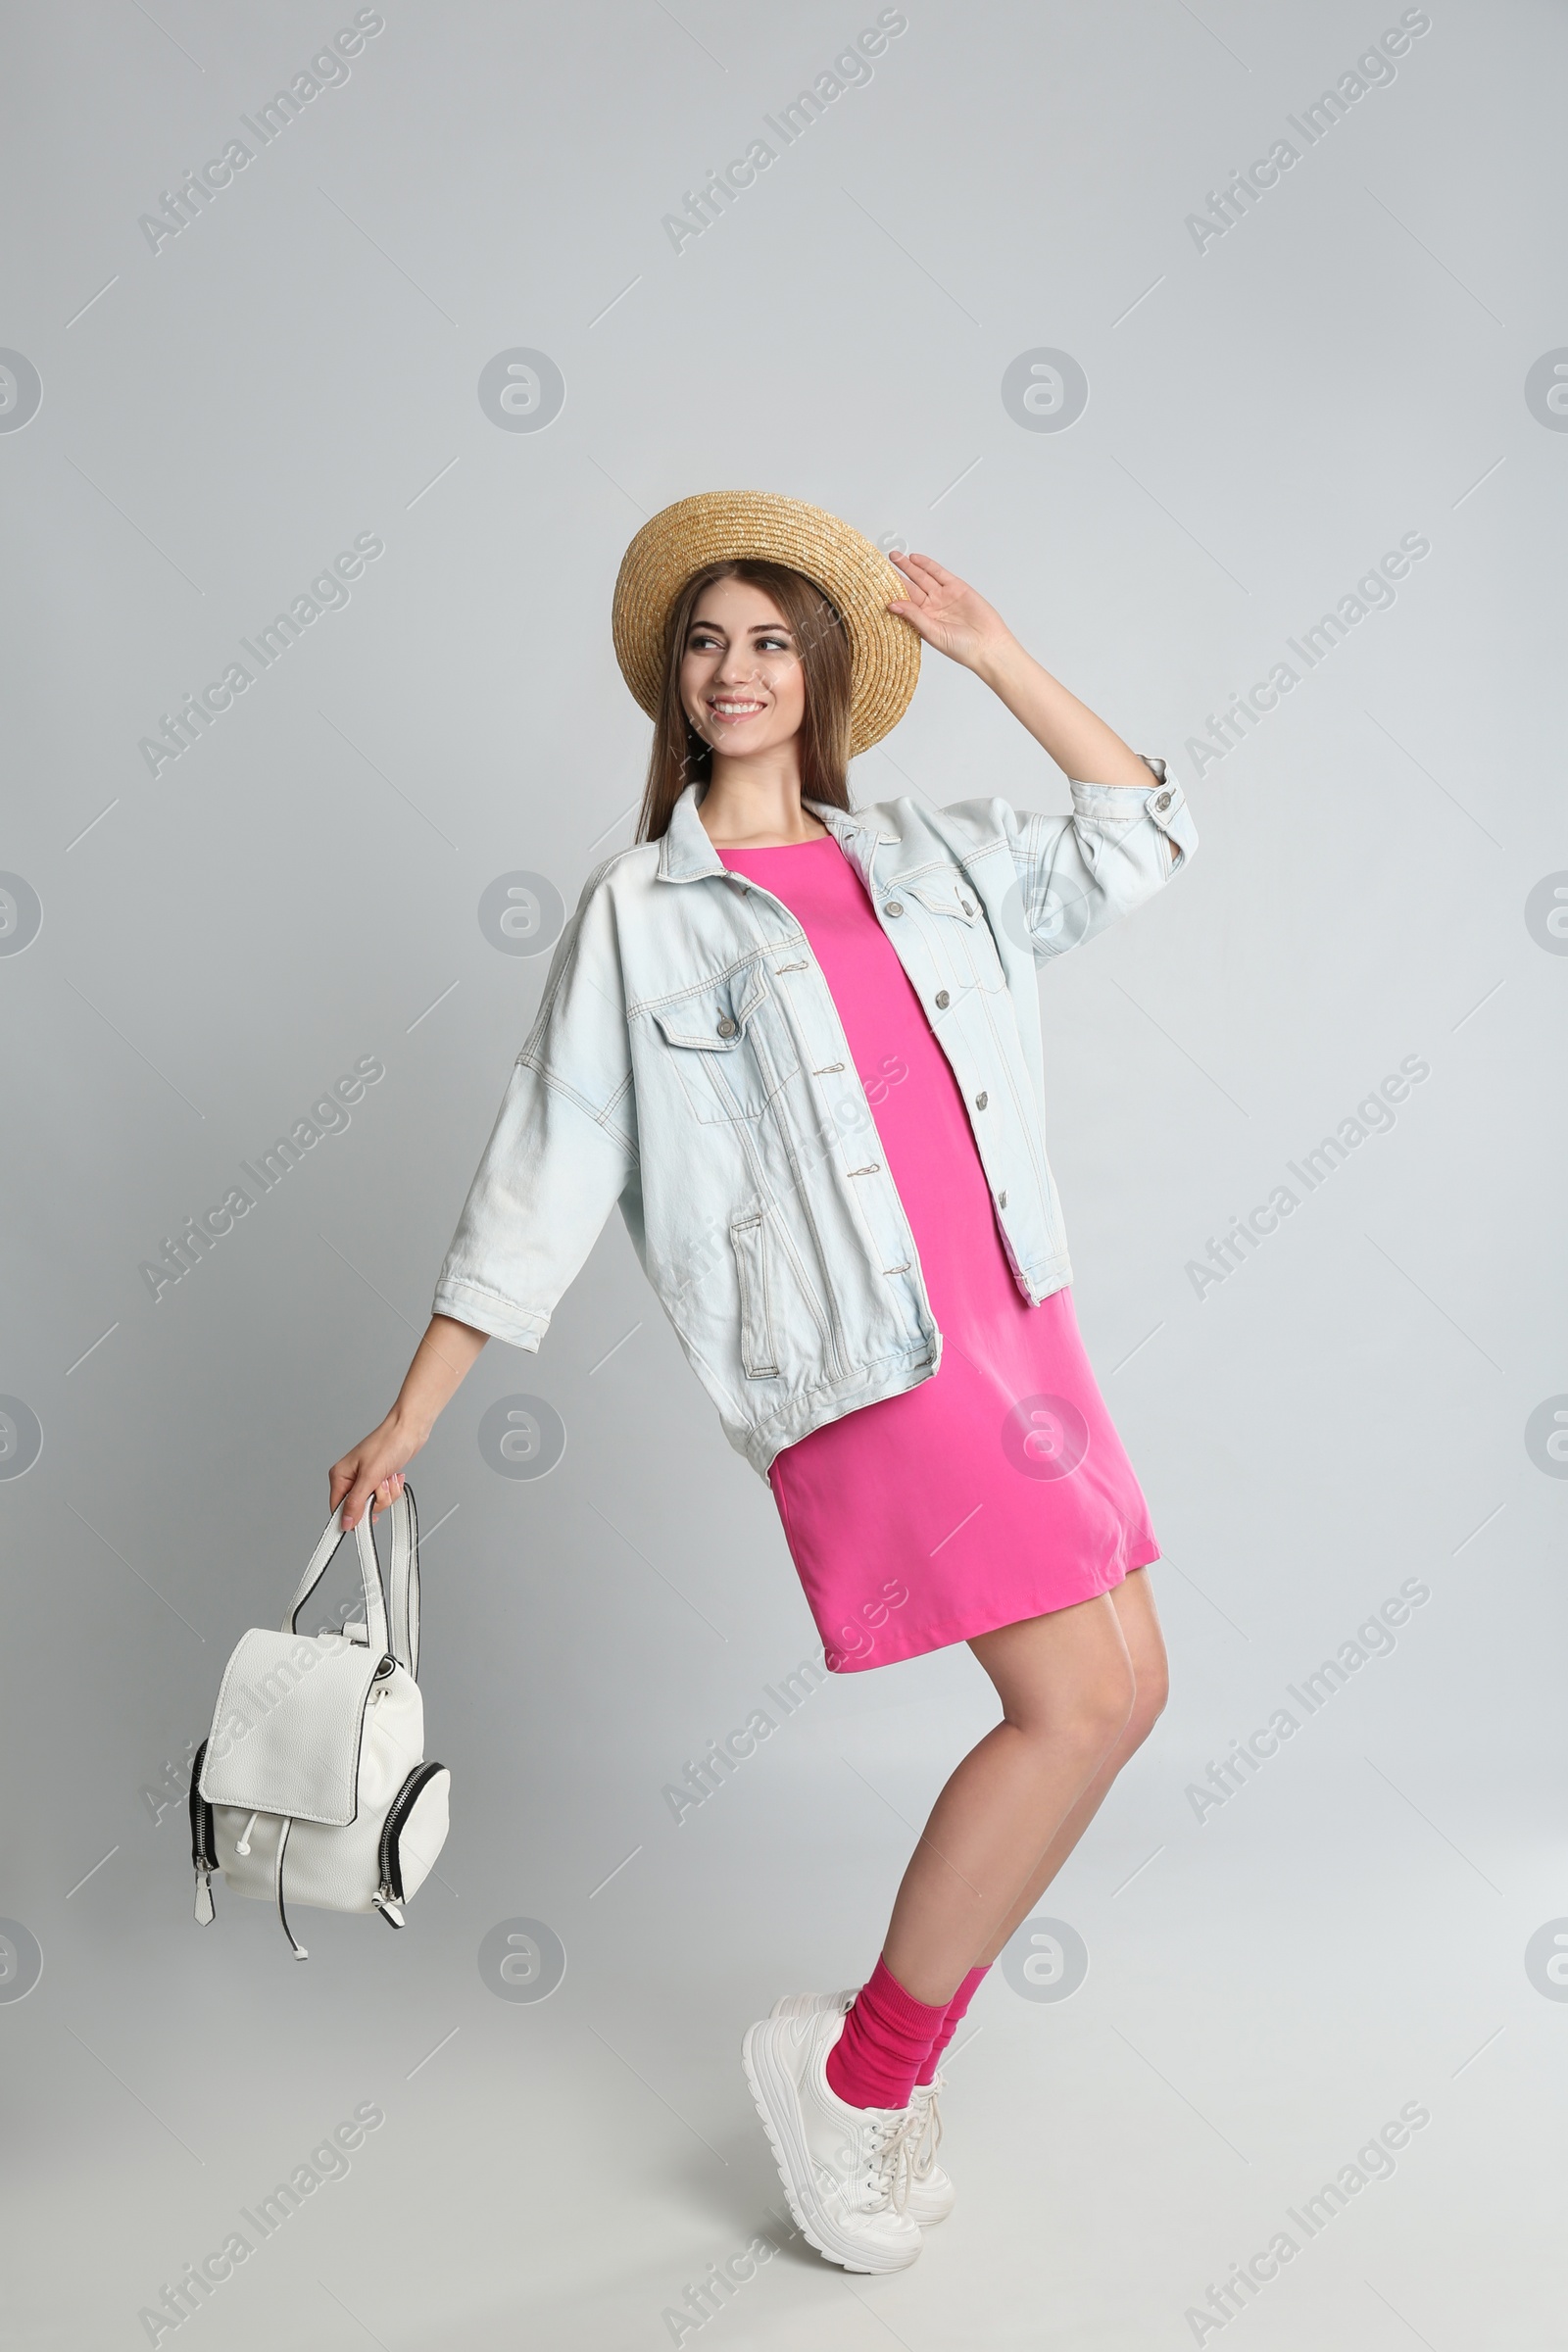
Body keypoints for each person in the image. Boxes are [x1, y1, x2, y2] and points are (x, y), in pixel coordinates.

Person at [329, 490, 1198, 2275]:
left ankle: (868, 2062)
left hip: (1017, 1322)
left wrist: (997, 652)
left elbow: (1136, 838)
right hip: (873, 1372)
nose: (735, 670)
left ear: (823, 678)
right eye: (708, 644)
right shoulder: (644, 913)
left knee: (1129, 1688)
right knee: (1075, 1704)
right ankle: (857, 2081)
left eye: (771, 641)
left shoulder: (930, 861)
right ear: (676, 681)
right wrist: (417, 1406)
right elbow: (545, 1162)